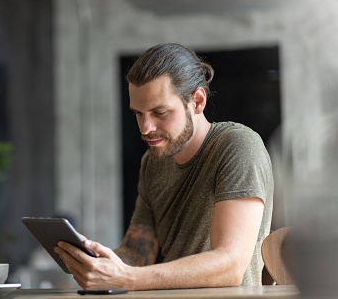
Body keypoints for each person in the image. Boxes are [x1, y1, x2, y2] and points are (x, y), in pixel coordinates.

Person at [54, 43, 273, 290]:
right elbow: (137, 255)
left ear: (198, 101)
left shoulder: (237, 146)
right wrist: (95, 260)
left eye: (160, 112)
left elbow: (231, 266)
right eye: (138, 113)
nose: (145, 128)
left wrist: (126, 278)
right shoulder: (153, 161)